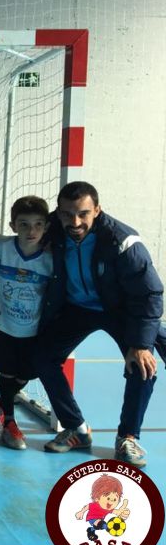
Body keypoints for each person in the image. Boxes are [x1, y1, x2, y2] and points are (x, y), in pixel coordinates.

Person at [35, 181, 166, 467]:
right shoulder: (52, 230)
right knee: (42, 357)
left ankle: (128, 437)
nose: (76, 222)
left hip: (119, 309)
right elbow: (17, 240)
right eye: (68, 214)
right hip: (77, 308)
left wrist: (142, 344)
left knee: (142, 364)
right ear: (58, 213)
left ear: (97, 210)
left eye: (83, 213)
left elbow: (150, 293)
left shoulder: (122, 241)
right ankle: (76, 429)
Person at [0, 196, 53, 450]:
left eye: (37, 225)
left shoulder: (51, 257)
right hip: (4, 325)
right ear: (13, 226)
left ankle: (5, 400)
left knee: (28, 374)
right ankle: (9, 422)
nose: (31, 231)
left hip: (33, 330)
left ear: (46, 226)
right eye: (23, 224)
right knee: (7, 372)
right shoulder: (2, 246)